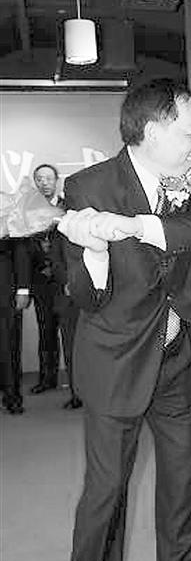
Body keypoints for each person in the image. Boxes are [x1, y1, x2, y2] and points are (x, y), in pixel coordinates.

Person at [57, 78, 191, 561]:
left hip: (178, 353)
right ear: (154, 132)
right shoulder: (87, 187)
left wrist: (136, 227)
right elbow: (85, 297)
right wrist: (94, 251)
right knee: (106, 494)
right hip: (117, 361)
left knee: (184, 478)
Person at [27, 164, 63, 394]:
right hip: (41, 280)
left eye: (49, 178)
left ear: (56, 180)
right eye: (40, 179)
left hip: (66, 282)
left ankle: (79, 387)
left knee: (72, 335)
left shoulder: (68, 206)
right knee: (46, 331)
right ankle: (47, 379)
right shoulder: (28, 210)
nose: (44, 183)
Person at [50, 232, 83, 409]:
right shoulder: (60, 233)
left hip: (98, 299)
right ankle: (77, 394)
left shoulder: (98, 224)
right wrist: (70, 282)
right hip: (68, 297)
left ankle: (100, 394)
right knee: (71, 348)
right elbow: (56, 262)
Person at [0, 236, 30, 414]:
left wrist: (23, 289)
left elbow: (21, 250)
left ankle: (12, 396)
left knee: (8, 345)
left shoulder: (8, 217)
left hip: (4, 285)